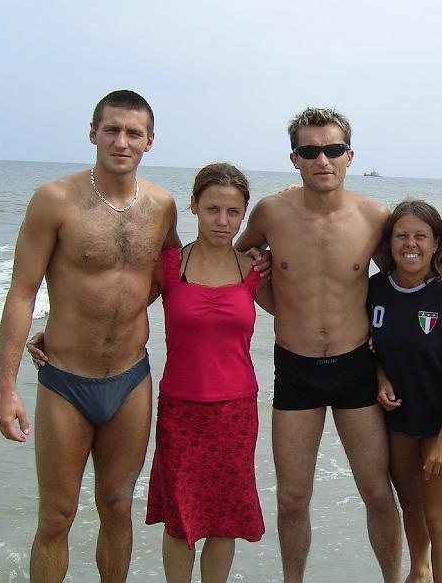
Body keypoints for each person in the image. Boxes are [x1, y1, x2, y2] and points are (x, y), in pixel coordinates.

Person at [0, 90, 180, 582]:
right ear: (93, 133)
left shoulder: (162, 206)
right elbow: (21, 292)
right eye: (112, 130)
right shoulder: (54, 200)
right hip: (66, 381)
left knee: (118, 506)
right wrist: (6, 387)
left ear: (150, 141)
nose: (122, 141)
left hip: (131, 378)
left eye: (134, 133)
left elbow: (174, 277)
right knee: (57, 515)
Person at [235, 107, 402, 583]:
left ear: (350, 155)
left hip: (356, 366)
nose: (322, 160)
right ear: (295, 159)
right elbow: (235, 257)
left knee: (377, 492)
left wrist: (388, 368)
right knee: (292, 498)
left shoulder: (374, 217)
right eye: (310, 151)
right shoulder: (271, 213)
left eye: (332, 149)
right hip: (295, 368)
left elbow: (403, 287)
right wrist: (269, 292)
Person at [144, 163, 269, 582]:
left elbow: (303, 308)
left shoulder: (253, 269)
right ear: (194, 206)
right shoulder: (168, 265)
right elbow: (120, 309)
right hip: (180, 410)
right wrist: (55, 333)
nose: (222, 221)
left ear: (244, 214)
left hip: (235, 411)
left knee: (224, 519)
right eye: (213, 209)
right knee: (179, 520)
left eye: (233, 212)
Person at [369, 200, 442, 583]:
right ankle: (419, 572)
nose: (410, 244)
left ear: (436, 243)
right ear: (389, 242)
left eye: (420, 236)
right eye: (401, 235)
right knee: (411, 507)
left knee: (439, 517)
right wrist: (380, 378)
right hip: (400, 420)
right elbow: (370, 348)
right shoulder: (375, 289)